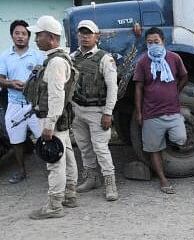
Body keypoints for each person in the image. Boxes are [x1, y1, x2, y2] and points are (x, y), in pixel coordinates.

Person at [25, 16, 79, 219]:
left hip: (52, 119)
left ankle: (54, 206)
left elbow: (57, 95)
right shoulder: (58, 58)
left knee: (54, 162)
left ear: (51, 38)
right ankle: (70, 195)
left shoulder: (56, 62)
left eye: (39, 35)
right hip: (58, 118)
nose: (35, 38)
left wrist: (49, 125)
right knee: (66, 154)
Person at [133, 27, 188, 194]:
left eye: (156, 42)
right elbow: (138, 88)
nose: (153, 45)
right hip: (151, 113)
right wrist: (139, 112)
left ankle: (164, 141)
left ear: (163, 41)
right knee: (154, 149)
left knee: (181, 138)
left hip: (172, 110)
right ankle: (163, 179)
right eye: (149, 42)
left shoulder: (174, 58)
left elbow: (184, 76)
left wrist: (175, 91)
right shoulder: (142, 62)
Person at [70, 20, 119, 201]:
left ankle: (110, 183)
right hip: (77, 110)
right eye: (82, 33)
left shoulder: (105, 58)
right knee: (84, 147)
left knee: (101, 148)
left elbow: (112, 87)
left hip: (97, 111)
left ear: (96, 36)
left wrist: (108, 112)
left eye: (88, 33)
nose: (84, 37)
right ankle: (92, 178)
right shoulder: (73, 57)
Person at [0, 20, 45, 184]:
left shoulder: (38, 55)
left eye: (24, 34)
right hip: (14, 105)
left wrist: (30, 85)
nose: (20, 37)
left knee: (44, 137)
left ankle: (50, 170)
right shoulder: (4, 56)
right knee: (16, 140)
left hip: (34, 104)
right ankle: (21, 171)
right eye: (17, 33)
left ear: (28, 36)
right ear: (12, 35)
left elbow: (44, 78)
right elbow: (0, 79)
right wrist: (11, 83)